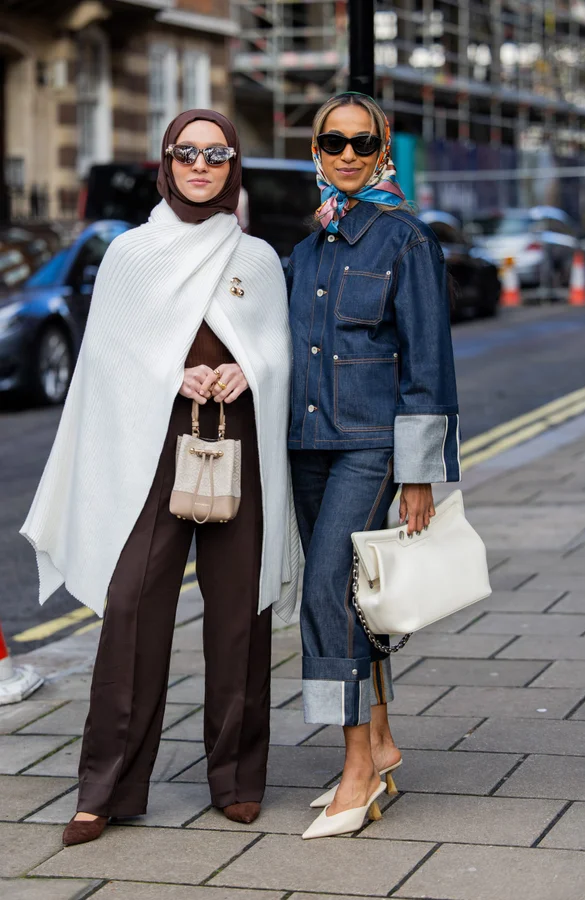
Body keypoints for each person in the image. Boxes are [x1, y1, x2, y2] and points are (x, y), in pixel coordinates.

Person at [21, 109, 299, 845]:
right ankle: (106, 788)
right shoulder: (131, 253)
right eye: (186, 153)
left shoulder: (258, 258)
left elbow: (279, 350)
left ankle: (237, 779)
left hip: (237, 435)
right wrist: (172, 374)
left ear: (233, 164)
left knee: (240, 616)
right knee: (133, 607)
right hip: (153, 439)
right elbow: (106, 359)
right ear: (166, 163)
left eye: (216, 154)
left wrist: (250, 370)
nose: (200, 165)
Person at [286, 92, 460, 840]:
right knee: (353, 599)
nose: (348, 154)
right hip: (305, 445)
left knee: (327, 592)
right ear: (316, 151)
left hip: (370, 447)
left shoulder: (406, 241)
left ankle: (357, 767)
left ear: (382, 150)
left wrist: (417, 472)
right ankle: (382, 740)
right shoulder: (307, 248)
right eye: (334, 141)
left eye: (363, 143)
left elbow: (429, 363)